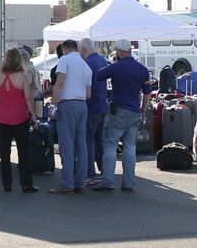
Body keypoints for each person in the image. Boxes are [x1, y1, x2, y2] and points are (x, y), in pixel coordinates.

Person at [94, 39, 151, 192]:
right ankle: (129, 183)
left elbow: (99, 75)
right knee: (130, 147)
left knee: (110, 146)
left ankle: (108, 181)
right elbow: (147, 93)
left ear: (119, 51)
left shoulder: (116, 67)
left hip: (118, 110)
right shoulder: (142, 69)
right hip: (135, 111)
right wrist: (143, 109)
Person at [48, 39, 92, 195]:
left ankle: (67, 183)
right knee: (81, 145)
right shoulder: (86, 66)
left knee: (66, 145)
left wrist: (53, 105)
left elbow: (59, 83)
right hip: (82, 105)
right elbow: (88, 94)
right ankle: (80, 183)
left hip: (67, 104)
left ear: (65, 49)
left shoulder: (64, 60)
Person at [0, 48, 39, 193]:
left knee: (5, 152)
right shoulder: (22, 76)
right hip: (20, 117)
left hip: (2, 117)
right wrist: (33, 116)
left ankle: (7, 184)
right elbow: (28, 98)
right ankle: (26, 184)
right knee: (23, 152)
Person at [78, 38, 109, 185]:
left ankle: (90, 174)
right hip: (103, 105)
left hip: (91, 106)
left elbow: (85, 87)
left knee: (88, 141)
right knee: (100, 141)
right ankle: (104, 171)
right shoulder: (103, 61)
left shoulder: (87, 64)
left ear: (83, 49)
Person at [20, 45, 43, 119]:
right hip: (35, 104)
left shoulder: (27, 69)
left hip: (32, 106)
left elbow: (25, 85)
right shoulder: (32, 68)